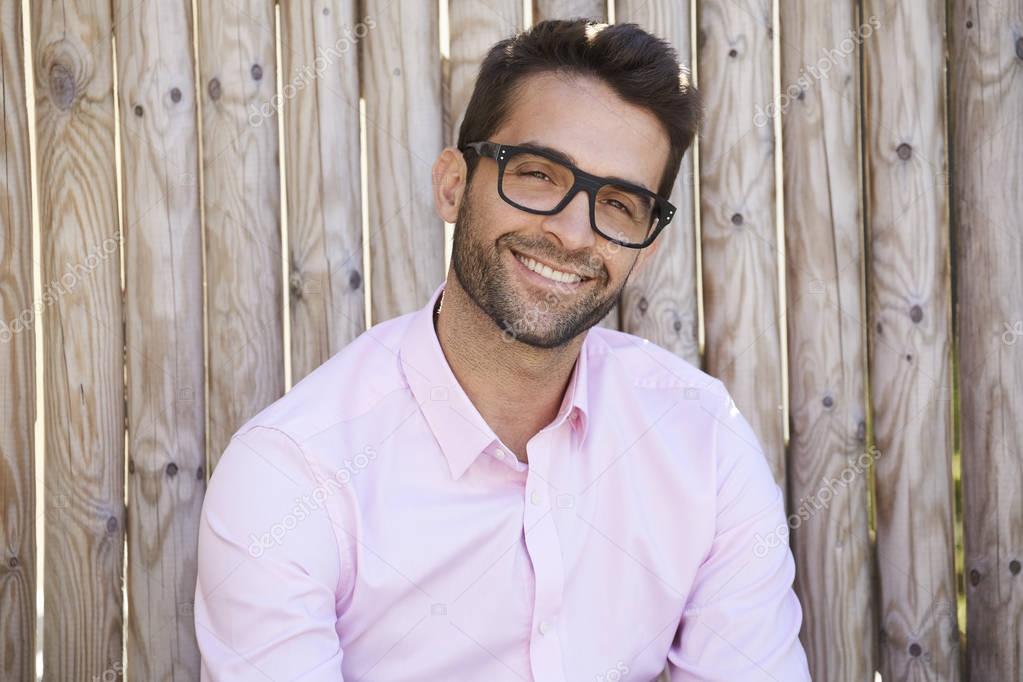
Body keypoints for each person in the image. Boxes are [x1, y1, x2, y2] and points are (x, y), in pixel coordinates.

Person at [195, 18, 810, 681]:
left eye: (620, 203)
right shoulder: (294, 474)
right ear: (452, 185)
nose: (573, 234)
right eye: (539, 174)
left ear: (645, 245)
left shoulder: (703, 443)